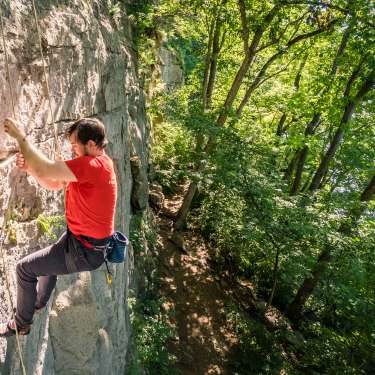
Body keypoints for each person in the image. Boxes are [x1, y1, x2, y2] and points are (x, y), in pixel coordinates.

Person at [0, 117, 117, 337]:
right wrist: (31, 170)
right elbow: (53, 183)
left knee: (24, 269)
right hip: (83, 243)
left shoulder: (90, 165)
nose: (72, 150)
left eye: (75, 145)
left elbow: (47, 169)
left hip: (83, 250)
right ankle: (36, 303)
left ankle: (21, 324)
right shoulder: (100, 164)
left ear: (91, 144)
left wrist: (20, 137)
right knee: (48, 262)